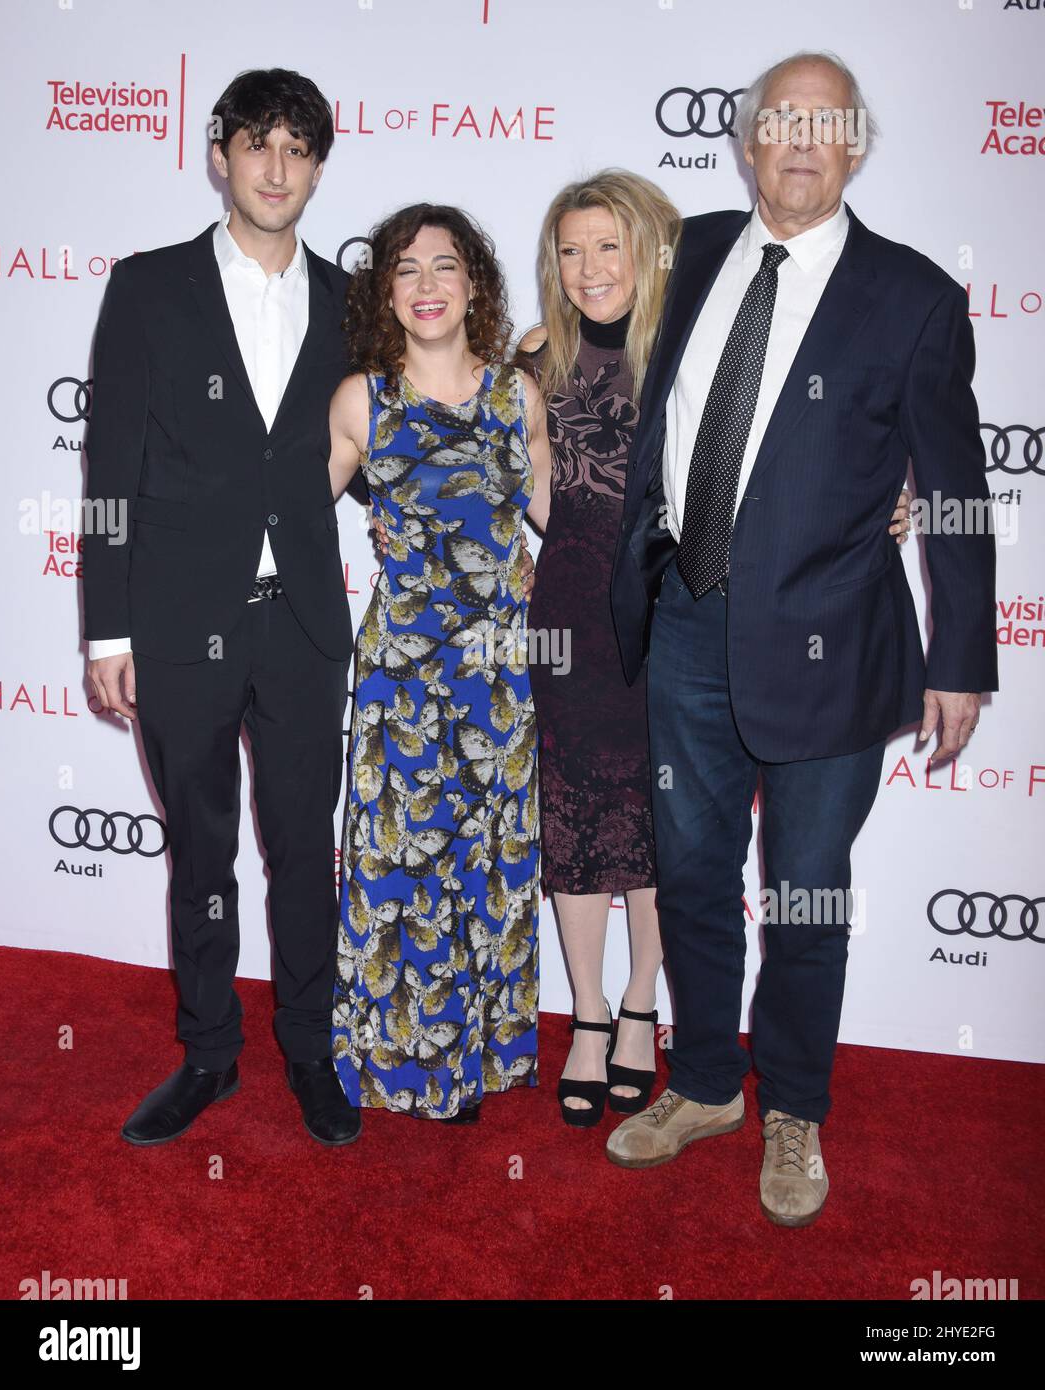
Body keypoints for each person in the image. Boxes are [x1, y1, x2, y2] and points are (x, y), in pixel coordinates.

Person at [606, 51, 997, 1226]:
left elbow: (960, 487)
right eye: (782, 121)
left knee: (810, 891)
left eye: (827, 125)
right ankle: (711, 1084)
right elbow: (603, 335)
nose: (801, 143)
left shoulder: (913, 296)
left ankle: (795, 1112)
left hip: (833, 641)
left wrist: (965, 657)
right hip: (685, 620)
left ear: (857, 148)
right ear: (748, 139)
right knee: (690, 875)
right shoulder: (698, 248)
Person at [516, 171, 912, 1129]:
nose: (589, 268)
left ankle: (649, 1005)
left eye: (610, 245)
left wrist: (883, 507)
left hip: (670, 606)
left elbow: (807, 436)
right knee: (578, 818)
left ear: (655, 251)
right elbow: (517, 482)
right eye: (570, 250)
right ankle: (592, 1017)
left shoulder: (690, 338)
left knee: (670, 834)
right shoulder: (534, 354)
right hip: (571, 612)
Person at [83, 69, 367, 1148]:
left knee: (305, 845)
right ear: (220, 156)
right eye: (258, 144)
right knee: (201, 848)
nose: (277, 166)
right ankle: (208, 1052)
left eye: (299, 148)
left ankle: (310, 1050)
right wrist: (108, 629)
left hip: (299, 620)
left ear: (320, 169)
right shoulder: (150, 287)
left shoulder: (352, 302)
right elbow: (111, 465)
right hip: (174, 620)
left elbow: (385, 454)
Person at [326, 205, 552, 1121]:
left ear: (475, 286)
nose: (427, 285)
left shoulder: (516, 397)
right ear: (387, 293)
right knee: (396, 868)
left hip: (499, 672)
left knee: (491, 862)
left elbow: (565, 524)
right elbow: (287, 515)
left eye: (445, 267)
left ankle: (481, 1060)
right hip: (399, 679)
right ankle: (395, 1066)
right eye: (407, 270)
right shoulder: (362, 399)